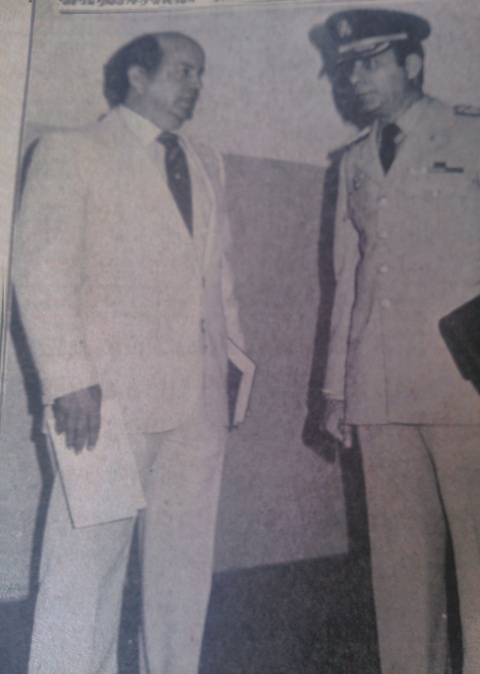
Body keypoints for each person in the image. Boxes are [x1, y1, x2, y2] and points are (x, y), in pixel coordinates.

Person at [13, 31, 245, 674]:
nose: (195, 85)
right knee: (84, 572)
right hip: (102, 406)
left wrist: (233, 373)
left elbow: (218, 280)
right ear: (137, 77)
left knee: (182, 574)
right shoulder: (72, 151)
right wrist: (69, 381)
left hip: (198, 405)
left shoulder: (206, 161)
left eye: (200, 73)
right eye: (182, 71)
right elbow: (41, 273)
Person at [309, 9, 480, 673]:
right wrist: (337, 389)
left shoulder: (479, 135)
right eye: (347, 67)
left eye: (371, 62)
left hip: (465, 384)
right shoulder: (353, 162)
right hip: (379, 387)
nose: (354, 78)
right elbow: (350, 279)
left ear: (412, 63)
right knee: (398, 569)